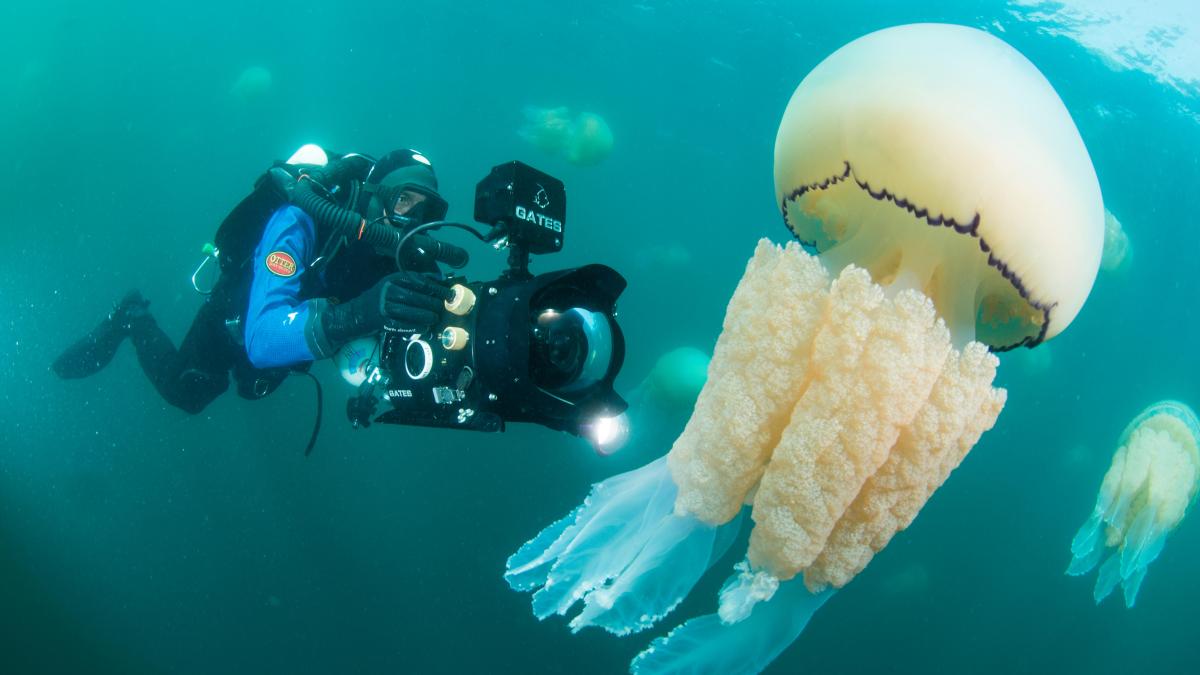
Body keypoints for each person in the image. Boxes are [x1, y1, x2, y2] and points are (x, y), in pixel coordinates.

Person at [52, 148, 454, 415]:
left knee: (253, 385)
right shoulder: (301, 218)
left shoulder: (405, 257)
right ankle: (132, 317)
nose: (412, 221)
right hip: (238, 317)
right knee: (189, 392)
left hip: (297, 335)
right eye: (403, 200)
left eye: (427, 209)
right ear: (375, 194)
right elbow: (262, 339)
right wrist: (362, 313)